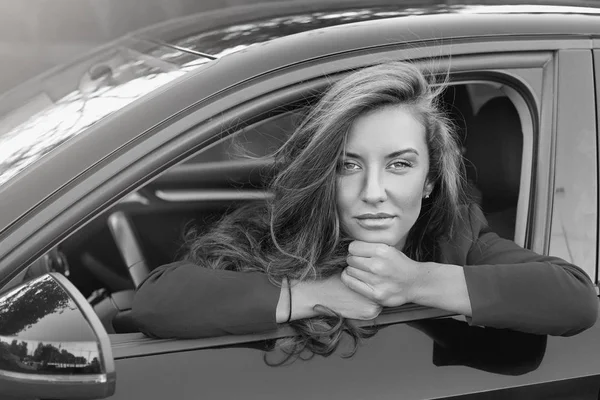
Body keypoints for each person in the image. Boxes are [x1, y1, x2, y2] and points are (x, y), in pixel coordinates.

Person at [132, 61, 598, 357]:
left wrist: (418, 281)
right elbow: (158, 302)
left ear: (430, 179)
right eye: (348, 165)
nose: (373, 191)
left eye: (399, 164)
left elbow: (575, 298)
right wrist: (317, 292)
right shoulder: (277, 228)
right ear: (323, 175)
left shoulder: (457, 236)